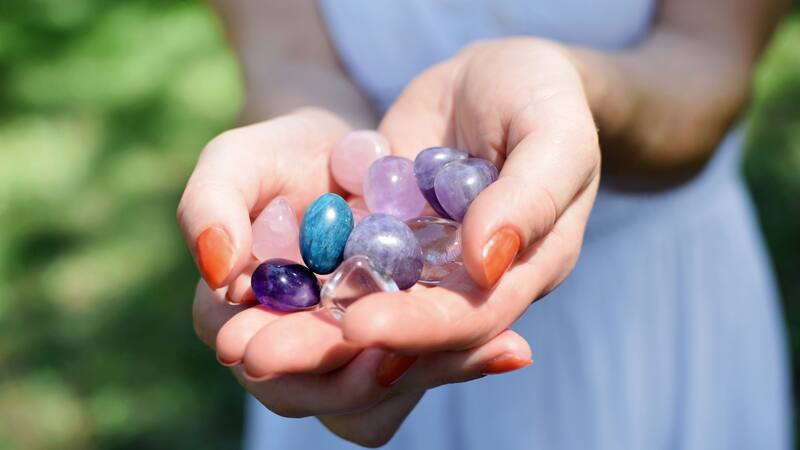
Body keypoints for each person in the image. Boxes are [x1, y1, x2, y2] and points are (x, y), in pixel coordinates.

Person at [179, 0, 792, 448]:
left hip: (656, 308)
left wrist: (573, 86)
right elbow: (288, 61)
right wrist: (307, 125)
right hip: (375, 326)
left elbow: (713, 56)